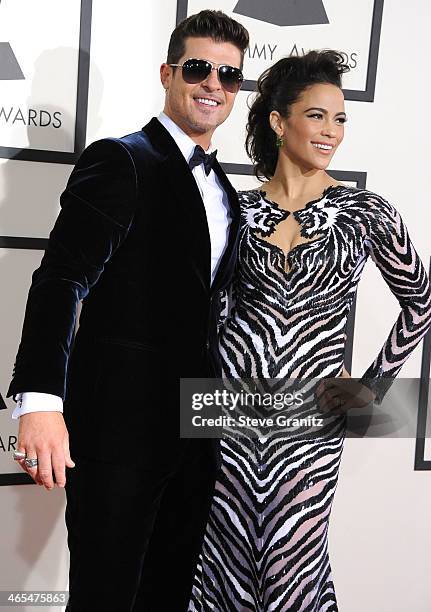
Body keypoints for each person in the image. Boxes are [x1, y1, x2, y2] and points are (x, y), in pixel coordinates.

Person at [5, 10, 249, 611]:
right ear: (167, 73)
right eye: (197, 68)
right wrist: (40, 402)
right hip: (119, 430)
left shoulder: (224, 192)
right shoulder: (122, 159)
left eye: (228, 74)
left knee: (166, 597)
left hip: (196, 430)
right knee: (105, 598)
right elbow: (61, 280)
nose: (212, 84)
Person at [189, 50, 431, 611]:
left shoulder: (364, 212)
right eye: (318, 115)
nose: (332, 131)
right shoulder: (232, 210)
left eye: (341, 118)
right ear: (279, 121)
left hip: (308, 428)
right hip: (227, 420)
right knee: (219, 566)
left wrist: (372, 385)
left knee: (292, 569)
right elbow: (206, 314)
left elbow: (420, 302)